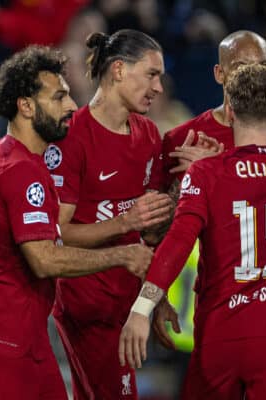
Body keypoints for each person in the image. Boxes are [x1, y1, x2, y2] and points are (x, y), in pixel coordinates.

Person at [0, 45, 153, 400]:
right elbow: (44, 260)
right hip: (3, 339)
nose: (71, 107)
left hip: (20, 335)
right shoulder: (24, 171)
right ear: (26, 106)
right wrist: (121, 256)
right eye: (59, 97)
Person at [119, 64, 266, 399]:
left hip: (223, 331)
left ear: (230, 111)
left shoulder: (206, 172)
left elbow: (178, 241)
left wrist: (141, 309)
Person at [45, 29, 174, 400]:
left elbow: (151, 231)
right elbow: (55, 233)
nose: (159, 87)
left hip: (127, 303)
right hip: (88, 308)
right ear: (118, 70)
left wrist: (157, 299)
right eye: (151, 74)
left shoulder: (149, 134)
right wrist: (124, 222)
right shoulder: (72, 137)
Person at [162, 30, 266, 199]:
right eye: (241, 67)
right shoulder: (181, 140)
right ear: (219, 74)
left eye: (262, 66)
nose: (253, 75)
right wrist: (187, 183)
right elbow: (159, 221)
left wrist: (212, 168)